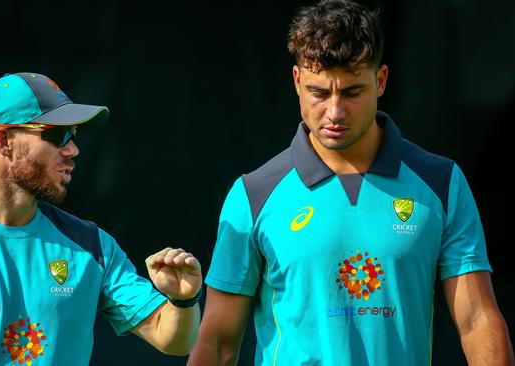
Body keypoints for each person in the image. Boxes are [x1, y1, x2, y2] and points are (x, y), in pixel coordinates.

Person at [187, 1, 514, 365]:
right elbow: (217, 343)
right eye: (319, 92)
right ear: (297, 81)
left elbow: (476, 321)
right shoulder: (254, 194)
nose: (335, 112)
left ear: (381, 81)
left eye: (352, 92)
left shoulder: (441, 183)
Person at [0, 72, 203, 365]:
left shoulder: (91, 245)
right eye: (58, 134)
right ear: (5, 141)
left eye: (74, 134)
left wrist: (183, 299)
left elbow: (173, 340)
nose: (73, 149)